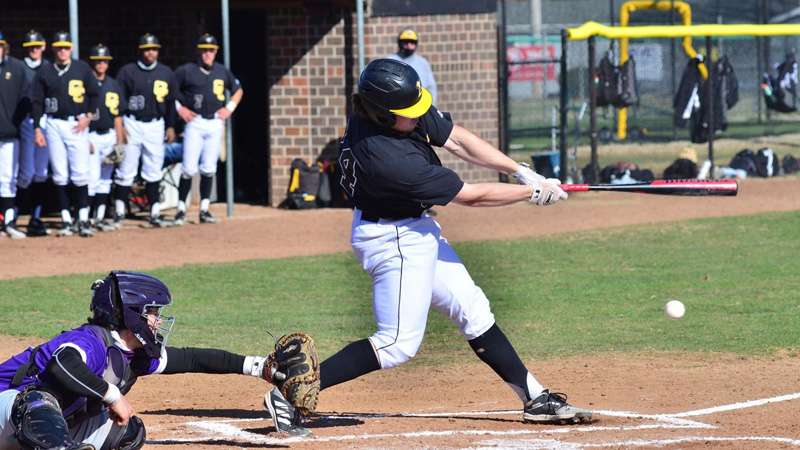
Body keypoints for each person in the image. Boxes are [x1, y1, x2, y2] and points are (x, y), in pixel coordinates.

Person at [309, 58, 590, 426]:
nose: (418, 116)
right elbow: (471, 195)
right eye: (410, 113)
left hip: (413, 227)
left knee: (472, 309)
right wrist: (530, 193)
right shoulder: (392, 161)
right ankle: (294, 390)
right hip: (393, 238)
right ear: (382, 114)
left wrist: (520, 171)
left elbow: (457, 138)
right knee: (396, 343)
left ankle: (534, 397)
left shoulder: (384, 111)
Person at [0, 270, 309, 450]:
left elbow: (191, 359)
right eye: (152, 313)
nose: (157, 321)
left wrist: (258, 367)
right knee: (39, 399)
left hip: (27, 432)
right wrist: (113, 395)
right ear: (132, 313)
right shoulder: (90, 341)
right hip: (7, 407)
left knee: (129, 431)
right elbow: (62, 365)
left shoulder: (131, 355)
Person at [31, 31, 99, 238]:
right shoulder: (45, 70)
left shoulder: (82, 68)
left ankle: (83, 218)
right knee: (60, 173)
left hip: (75, 123)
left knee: (80, 172)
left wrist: (88, 116)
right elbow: (37, 101)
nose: (63, 51)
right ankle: (67, 219)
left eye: (66, 47)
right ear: (53, 48)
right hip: (53, 123)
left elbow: (95, 93)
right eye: (59, 47)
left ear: (71, 48)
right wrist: (37, 128)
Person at [173, 33, 243, 225]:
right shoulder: (187, 70)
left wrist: (228, 108)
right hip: (195, 122)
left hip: (214, 122)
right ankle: (181, 209)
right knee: (188, 167)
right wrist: (181, 109)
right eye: (204, 50)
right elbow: (171, 89)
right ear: (199, 51)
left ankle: (204, 209)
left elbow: (238, 90)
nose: (207, 54)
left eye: (211, 50)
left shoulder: (222, 71)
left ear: (216, 52)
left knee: (209, 168)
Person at [113, 33, 176, 229]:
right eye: (147, 49)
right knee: (126, 166)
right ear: (140, 51)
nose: (151, 52)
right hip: (132, 122)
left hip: (156, 124)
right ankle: (120, 209)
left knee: (153, 167)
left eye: (154, 49)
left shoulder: (166, 73)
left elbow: (171, 103)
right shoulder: (127, 71)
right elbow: (117, 100)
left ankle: (154, 211)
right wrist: (120, 125)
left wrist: (171, 125)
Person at [87, 44, 126, 232]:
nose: (101, 64)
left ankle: (99, 217)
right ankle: (84, 217)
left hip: (109, 135)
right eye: (98, 61)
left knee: (105, 179)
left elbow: (118, 116)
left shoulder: (114, 84)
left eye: (104, 61)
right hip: (91, 135)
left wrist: (119, 142)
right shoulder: (86, 82)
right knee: (91, 178)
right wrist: (84, 139)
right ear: (92, 62)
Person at [17, 30, 51, 237]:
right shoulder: (19, 67)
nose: (34, 50)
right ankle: (14, 214)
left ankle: (35, 217)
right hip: (26, 121)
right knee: (25, 173)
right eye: (30, 47)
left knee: (41, 172)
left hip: (48, 121)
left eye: (37, 46)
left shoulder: (49, 67)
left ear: (44, 46)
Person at [0, 32, 30, 239]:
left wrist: (17, 124)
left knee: (8, 179)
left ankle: (9, 221)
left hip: (10, 133)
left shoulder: (17, 69)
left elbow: (26, 100)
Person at [386, 29, 437, 104]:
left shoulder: (423, 63)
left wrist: (430, 106)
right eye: (405, 42)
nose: (409, 45)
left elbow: (431, 87)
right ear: (399, 43)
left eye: (412, 42)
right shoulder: (390, 60)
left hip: (419, 106)